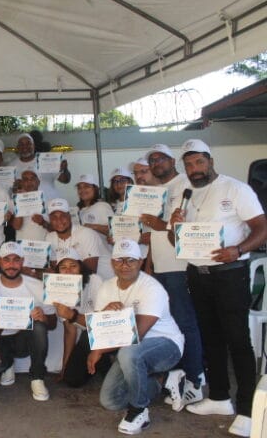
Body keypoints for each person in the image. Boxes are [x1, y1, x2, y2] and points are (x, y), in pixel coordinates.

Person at [168, 139, 267, 437]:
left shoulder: (235, 189)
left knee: (237, 339)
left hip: (230, 274)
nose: (194, 169)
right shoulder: (183, 196)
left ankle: (247, 410)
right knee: (210, 337)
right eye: (188, 164)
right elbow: (176, 243)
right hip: (198, 274)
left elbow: (262, 227)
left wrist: (238, 250)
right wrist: (175, 227)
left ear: (210, 161)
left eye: (199, 162)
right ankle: (220, 398)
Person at [87, 239, 184, 435]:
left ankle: (139, 410)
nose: (125, 265)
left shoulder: (151, 288)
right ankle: (163, 380)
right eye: (119, 260)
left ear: (140, 262)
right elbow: (99, 326)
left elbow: (137, 334)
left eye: (131, 260)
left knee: (129, 353)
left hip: (166, 345)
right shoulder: (106, 287)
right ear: (112, 263)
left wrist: (99, 351)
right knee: (110, 400)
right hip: (130, 349)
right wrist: (105, 312)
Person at [144, 143, 204, 408]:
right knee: (168, 325)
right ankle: (176, 377)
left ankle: (195, 379)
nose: (157, 163)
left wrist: (157, 223)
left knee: (185, 323)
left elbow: (184, 226)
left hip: (179, 266)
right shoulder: (154, 191)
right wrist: (149, 265)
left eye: (161, 158)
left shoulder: (185, 185)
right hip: (160, 267)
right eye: (152, 160)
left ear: (172, 161)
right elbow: (153, 234)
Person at [0, 242, 56, 401]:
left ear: (22, 261)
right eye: (6, 260)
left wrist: (44, 317)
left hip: (22, 340)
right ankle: (7, 365)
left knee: (39, 326)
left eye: (16, 260)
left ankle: (37, 378)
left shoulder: (37, 286)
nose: (11, 265)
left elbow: (53, 322)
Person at [50, 248, 106, 387]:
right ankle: (96, 365)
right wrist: (64, 367)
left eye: (73, 266)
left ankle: (107, 362)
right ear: (58, 272)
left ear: (81, 266)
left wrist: (72, 315)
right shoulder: (58, 288)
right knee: (71, 379)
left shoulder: (95, 280)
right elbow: (70, 331)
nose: (68, 271)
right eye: (63, 267)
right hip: (87, 336)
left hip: (103, 334)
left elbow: (102, 323)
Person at [45, 198, 114, 280]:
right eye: (54, 217)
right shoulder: (49, 237)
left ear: (69, 216)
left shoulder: (86, 233)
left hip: (104, 280)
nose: (59, 220)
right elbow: (56, 269)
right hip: (75, 283)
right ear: (50, 219)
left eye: (63, 216)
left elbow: (90, 271)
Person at [7, 133, 70, 201]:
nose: (25, 146)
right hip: (26, 205)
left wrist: (64, 169)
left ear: (33, 146)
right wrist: (15, 187)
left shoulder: (46, 160)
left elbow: (65, 180)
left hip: (51, 203)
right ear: (17, 148)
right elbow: (9, 190)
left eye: (28, 143)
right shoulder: (11, 166)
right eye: (21, 144)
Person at [76, 174, 114, 239]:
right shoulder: (80, 210)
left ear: (95, 189)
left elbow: (114, 230)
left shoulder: (102, 206)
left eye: (86, 186)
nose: (82, 190)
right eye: (79, 187)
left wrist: (91, 227)